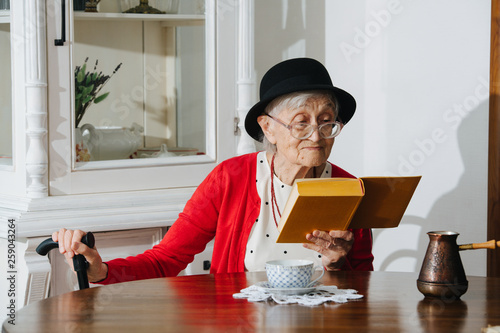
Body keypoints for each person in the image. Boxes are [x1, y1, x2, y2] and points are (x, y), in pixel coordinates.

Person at [54, 57, 374, 284]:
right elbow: (168, 258)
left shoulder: (348, 187)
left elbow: (366, 286)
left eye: (327, 121)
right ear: (268, 127)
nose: (317, 136)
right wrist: (103, 270)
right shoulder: (230, 178)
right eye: (302, 122)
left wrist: (338, 265)